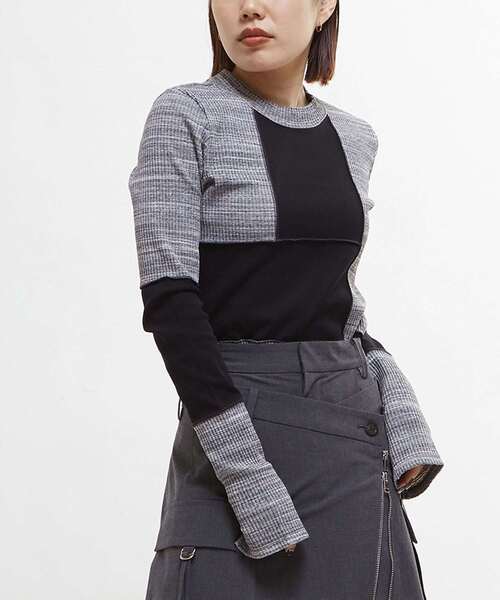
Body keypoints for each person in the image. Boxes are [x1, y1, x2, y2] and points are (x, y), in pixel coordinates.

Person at [128, 1, 444, 598]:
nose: (250, 7)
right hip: (232, 432)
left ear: (324, 5)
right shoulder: (186, 114)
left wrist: (400, 406)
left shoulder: (354, 137)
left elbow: (340, 305)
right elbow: (171, 306)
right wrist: (248, 476)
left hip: (352, 447)